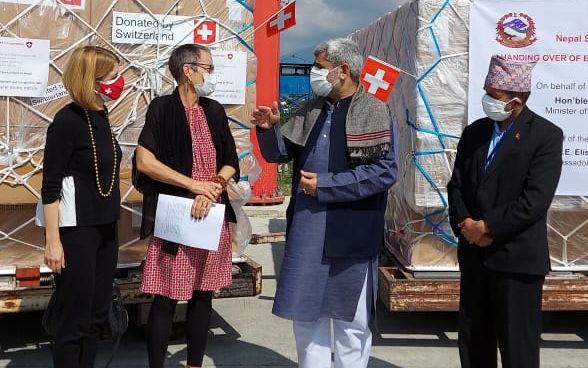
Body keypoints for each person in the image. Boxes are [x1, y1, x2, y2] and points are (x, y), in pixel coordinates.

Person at [251, 38, 397, 368]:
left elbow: (385, 172)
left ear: (343, 71)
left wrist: (328, 186)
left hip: (354, 232)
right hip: (309, 230)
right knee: (306, 317)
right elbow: (279, 153)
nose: (314, 73)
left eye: (320, 67)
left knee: (351, 323)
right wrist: (267, 130)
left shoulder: (375, 111)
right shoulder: (312, 109)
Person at [447, 55, 564, 368]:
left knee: (518, 350)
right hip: (474, 258)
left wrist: (488, 228)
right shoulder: (475, 133)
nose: (487, 100)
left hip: (516, 261)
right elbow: (456, 186)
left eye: (494, 96)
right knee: (474, 344)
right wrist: (466, 226)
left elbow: (535, 200)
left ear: (516, 101)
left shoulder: (546, 136)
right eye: (486, 92)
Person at [134, 44, 239, 368]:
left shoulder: (215, 110)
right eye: (208, 68)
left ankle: (194, 364)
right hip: (177, 215)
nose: (213, 74)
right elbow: (144, 162)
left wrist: (213, 189)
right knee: (165, 296)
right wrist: (193, 187)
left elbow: (230, 161)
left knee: (203, 294)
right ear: (188, 70)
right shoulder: (162, 109)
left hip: (211, 213)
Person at [42, 45, 124, 368]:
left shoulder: (101, 117)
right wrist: (53, 241)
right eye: (113, 76)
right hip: (77, 233)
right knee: (73, 321)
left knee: (96, 318)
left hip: (106, 229)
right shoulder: (66, 122)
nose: (119, 81)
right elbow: (50, 186)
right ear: (92, 80)